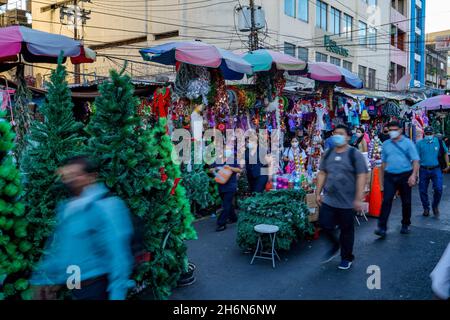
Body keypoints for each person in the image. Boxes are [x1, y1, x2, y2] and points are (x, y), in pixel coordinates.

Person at [30, 156, 134, 300]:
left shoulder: (106, 206)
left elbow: (118, 257)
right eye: (69, 174)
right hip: (75, 285)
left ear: (92, 177)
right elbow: (62, 251)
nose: (72, 179)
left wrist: (117, 295)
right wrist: (43, 280)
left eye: (78, 174)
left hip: (97, 287)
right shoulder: (67, 208)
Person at [315, 124, 368, 270]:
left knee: (346, 231)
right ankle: (334, 244)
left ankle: (346, 257)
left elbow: (362, 175)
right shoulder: (328, 153)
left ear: (348, 137)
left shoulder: (354, 154)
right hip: (330, 198)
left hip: (347, 201)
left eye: (341, 133)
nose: (337, 136)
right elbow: (322, 172)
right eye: (335, 133)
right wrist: (318, 192)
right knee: (324, 224)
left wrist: (358, 198)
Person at [375, 121, 420, 238]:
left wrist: (413, 175)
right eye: (390, 130)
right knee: (386, 201)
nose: (392, 132)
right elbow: (383, 164)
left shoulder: (408, 143)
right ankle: (382, 227)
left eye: (395, 129)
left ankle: (405, 224)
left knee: (406, 202)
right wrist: (381, 182)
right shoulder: (385, 144)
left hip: (405, 175)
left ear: (400, 130)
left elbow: (415, 160)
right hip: (390, 176)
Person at [416, 127, 449, 217]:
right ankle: (426, 208)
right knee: (422, 190)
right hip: (423, 169)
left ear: (433, 133)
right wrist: (414, 173)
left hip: (436, 169)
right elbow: (416, 159)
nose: (429, 135)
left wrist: (448, 164)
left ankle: (435, 206)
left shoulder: (439, 142)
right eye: (427, 133)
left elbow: (445, 152)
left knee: (438, 189)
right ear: (424, 134)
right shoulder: (419, 144)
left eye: (430, 133)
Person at [211, 147, 242, 232]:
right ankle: (233, 218)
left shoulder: (233, 161)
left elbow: (239, 170)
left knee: (226, 205)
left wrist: (230, 168)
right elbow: (211, 169)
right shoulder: (218, 160)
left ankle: (221, 223)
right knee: (227, 204)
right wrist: (215, 169)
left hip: (231, 186)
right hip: (221, 186)